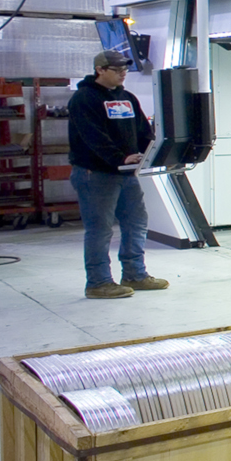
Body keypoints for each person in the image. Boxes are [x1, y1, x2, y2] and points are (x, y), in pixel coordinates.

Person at [68, 50, 169, 299]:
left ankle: (135, 274)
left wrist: (153, 152)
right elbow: (93, 136)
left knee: (136, 223)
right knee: (100, 229)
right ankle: (98, 282)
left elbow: (143, 131)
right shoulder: (84, 98)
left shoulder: (127, 98)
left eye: (125, 69)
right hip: (96, 174)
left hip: (126, 175)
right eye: (117, 69)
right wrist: (118, 158)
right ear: (100, 70)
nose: (123, 73)